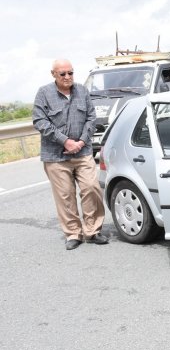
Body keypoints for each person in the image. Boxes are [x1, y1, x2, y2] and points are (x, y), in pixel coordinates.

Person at [32, 59, 108, 250]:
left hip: (82, 152)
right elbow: (40, 121)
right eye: (62, 74)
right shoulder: (44, 93)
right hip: (56, 155)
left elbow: (91, 117)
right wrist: (65, 141)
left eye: (70, 73)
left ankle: (92, 230)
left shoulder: (82, 91)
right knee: (65, 196)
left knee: (91, 187)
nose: (67, 77)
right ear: (53, 74)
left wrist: (81, 141)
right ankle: (73, 233)